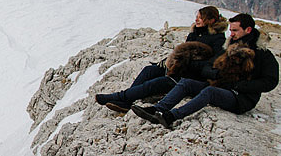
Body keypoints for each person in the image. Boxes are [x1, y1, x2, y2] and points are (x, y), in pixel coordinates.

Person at [132, 13, 279, 129]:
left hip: (241, 98)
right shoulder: (228, 47)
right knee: (186, 83)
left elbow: (271, 81)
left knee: (210, 93)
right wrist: (214, 74)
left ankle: (170, 117)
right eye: (230, 31)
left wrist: (239, 86)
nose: (231, 34)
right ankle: (157, 109)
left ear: (248, 30)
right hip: (221, 86)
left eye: (235, 31)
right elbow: (208, 65)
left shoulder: (262, 54)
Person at [94, 6, 227, 113]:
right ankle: (127, 101)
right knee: (149, 70)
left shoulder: (218, 39)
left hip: (189, 75)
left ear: (211, 20)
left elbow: (212, 63)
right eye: (196, 17)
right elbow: (183, 51)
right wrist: (170, 60)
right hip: (179, 68)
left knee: (153, 84)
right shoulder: (194, 33)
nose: (197, 20)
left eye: (201, 18)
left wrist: (186, 63)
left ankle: (120, 97)